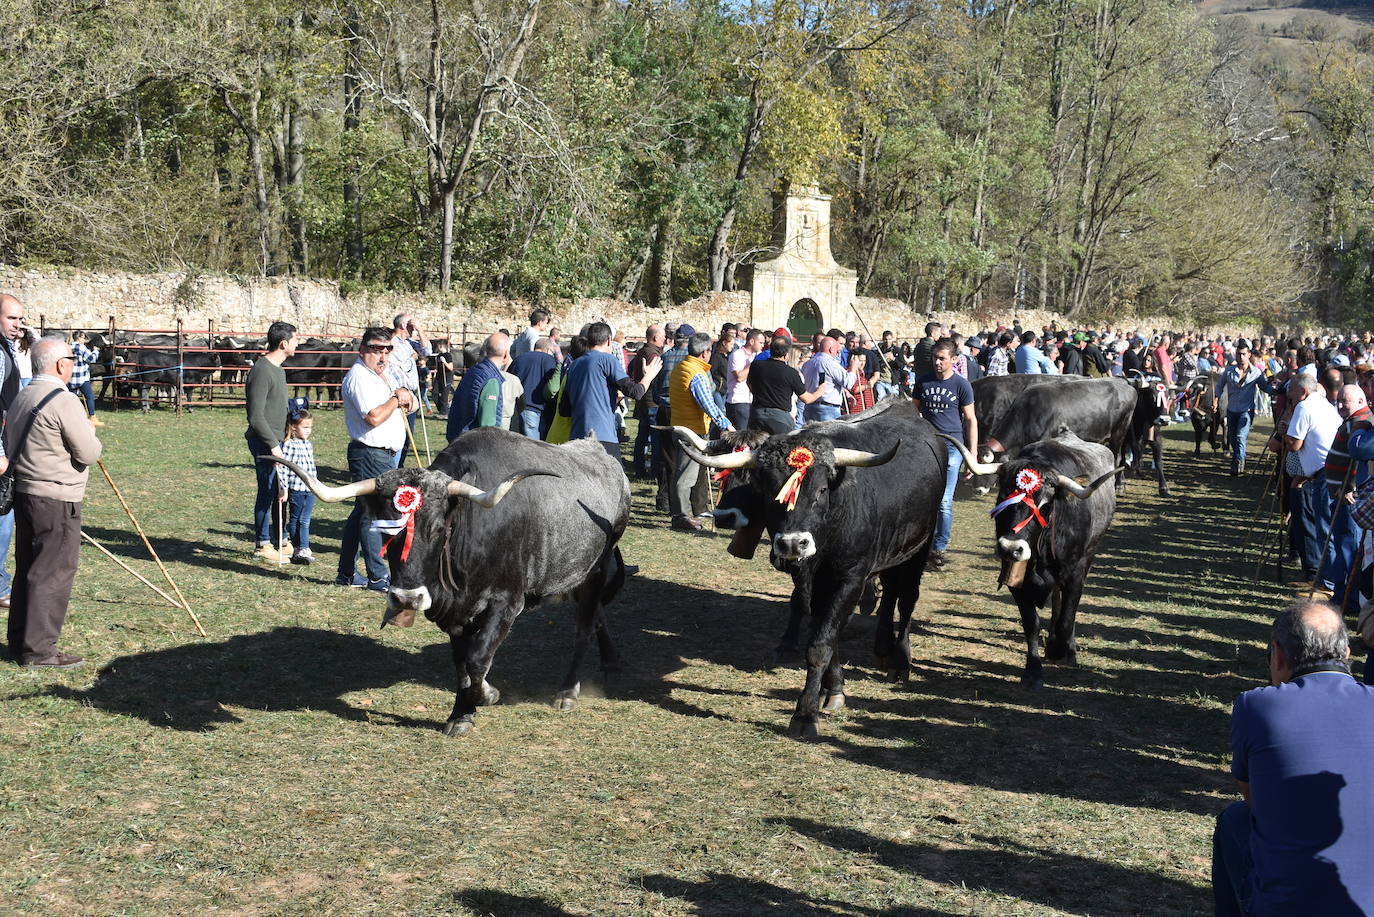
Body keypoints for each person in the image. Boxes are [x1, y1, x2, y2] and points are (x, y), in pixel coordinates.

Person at [1212, 599, 1374, 917]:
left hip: (1290, 906)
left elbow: (1256, 803)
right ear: (1347, 654)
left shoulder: (1256, 707)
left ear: (1278, 654)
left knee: (1235, 820)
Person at [5, 336, 102, 668]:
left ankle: (20, 641)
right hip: (56, 497)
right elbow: (89, 452)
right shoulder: (64, 400)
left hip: (26, 493)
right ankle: (41, 651)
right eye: (72, 360)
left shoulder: (23, 395)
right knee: (53, 572)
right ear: (62, 365)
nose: (74, 365)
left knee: (28, 569)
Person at [336, 328, 413, 592]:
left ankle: (346, 573)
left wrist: (403, 395)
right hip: (370, 453)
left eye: (387, 350)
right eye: (376, 349)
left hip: (384, 454)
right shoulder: (359, 377)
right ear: (362, 350)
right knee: (374, 514)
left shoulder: (381, 374)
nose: (382, 355)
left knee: (362, 513)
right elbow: (374, 417)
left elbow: (408, 402)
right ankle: (378, 577)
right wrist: (395, 398)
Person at [912, 339, 976, 572]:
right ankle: (921, 544)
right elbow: (913, 410)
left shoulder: (961, 385)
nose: (938, 362)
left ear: (954, 359)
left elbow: (970, 419)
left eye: (942, 358)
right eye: (935, 358)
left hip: (952, 446)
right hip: (927, 444)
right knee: (923, 498)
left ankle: (939, 548)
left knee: (944, 500)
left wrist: (972, 453)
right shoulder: (923, 381)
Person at [243, 321, 298, 561]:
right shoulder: (262, 370)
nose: (298, 344)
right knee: (267, 491)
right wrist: (273, 446)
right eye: (296, 340)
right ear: (284, 343)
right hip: (265, 443)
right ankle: (262, 544)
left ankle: (281, 539)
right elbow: (256, 416)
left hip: (278, 441)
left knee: (280, 492)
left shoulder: (279, 370)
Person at [668, 331, 734, 531]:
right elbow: (708, 404)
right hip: (692, 430)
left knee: (685, 473)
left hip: (680, 424)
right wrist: (726, 424)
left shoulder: (682, 367)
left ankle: (689, 512)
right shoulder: (695, 373)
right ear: (705, 352)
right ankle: (681, 516)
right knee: (685, 475)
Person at [566, 321, 660, 459]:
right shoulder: (608, 360)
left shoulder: (574, 365)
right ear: (609, 340)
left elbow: (564, 408)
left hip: (576, 438)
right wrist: (648, 376)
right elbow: (635, 392)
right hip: (602, 437)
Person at [1285, 374, 1341, 592]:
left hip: (1322, 473)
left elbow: (1294, 445)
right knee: (1324, 528)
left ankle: (1325, 582)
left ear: (1303, 392)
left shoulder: (1304, 407)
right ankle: (1324, 578)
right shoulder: (1324, 404)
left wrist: (1285, 431)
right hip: (1329, 469)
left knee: (1321, 528)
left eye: (1292, 390)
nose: (1289, 394)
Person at [1321, 384, 1372, 611]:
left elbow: (1359, 462)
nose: (1340, 405)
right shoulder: (1352, 420)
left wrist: (1349, 488)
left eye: (1346, 401)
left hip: (1350, 498)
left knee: (1349, 547)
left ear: (1361, 401)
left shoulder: (1361, 422)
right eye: (1339, 400)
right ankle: (1341, 593)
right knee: (1343, 543)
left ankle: (1349, 598)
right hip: (1340, 495)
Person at [0, 296, 27, 609]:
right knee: (3, 515)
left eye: (19, 319)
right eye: (11, 318)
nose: (17, 325)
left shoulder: (8, 348)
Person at [1215, 341, 1275, 476]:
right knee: (1232, 437)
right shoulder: (1229, 371)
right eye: (1238, 354)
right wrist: (1216, 399)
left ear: (1248, 355)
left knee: (1240, 437)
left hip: (1246, 411)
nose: (1240, 357)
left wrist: (1278, 390)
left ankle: (1237, 464)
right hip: (1231, 410)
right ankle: (1237, 458)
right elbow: (1219, 385)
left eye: (1243, 354)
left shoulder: (1256, 373)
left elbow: (1265, 387)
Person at [747, 335, 829, 434]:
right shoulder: (791, 373)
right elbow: (806, 399)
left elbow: (749, 384)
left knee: (754, 448)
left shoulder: (756, 365)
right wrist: (820, 391)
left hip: (757, 415)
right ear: (786, 355)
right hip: (779, 419)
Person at [447, 332, 512, 438]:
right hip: (475, 445)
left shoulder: (474, 371)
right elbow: (487, 426)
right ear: (506, 354)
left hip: (460, 438)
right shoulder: (491, 380)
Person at [277, 405, 317, 565]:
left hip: (310, 489)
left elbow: (311, 467)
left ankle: (303, 547)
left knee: (305, 519)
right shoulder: (288, 445)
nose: (308, 430)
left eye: (310, 427)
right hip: (297, 489)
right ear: (293, 428)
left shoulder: (308, 444)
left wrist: (316, 483)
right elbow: (283, 470)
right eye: (305, 427)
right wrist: (283, 489)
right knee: (297, 519)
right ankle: (299, 548)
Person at [387, 314, 429, 466]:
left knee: (407, 434)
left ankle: (399, 466)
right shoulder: (391, 341)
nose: (414, 324)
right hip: (398, 393)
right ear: (403, 325)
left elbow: (427, 351)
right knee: (397, 433)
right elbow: (392, 364)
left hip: (411, 394)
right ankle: (392, 466)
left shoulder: (410, 342)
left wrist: (419, 328)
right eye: (411, 322)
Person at [629, 325, 665, 477]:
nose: (664, 339)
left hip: (643, 400)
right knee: (656, 439)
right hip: (652, 402)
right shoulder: (652, 355)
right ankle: (655, 471)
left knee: (642, 437)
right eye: (662, 336)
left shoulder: (642, 351)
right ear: (655, 337)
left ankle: (639, 468)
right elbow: (655, 377)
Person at [508, 337, 558, 439]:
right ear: (548, 350)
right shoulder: (550, 360)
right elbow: (553, 386)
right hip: (535, 410)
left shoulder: (519, 358)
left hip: (515, 410)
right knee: (534, 449)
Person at [800, 336, 855, 423]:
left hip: (810, 407)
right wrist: (853, 368)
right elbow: (849, 383)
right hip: (827, 409)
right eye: (836, 349)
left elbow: (822, 380)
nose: (837, 352)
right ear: (831, 349)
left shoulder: (808, 363)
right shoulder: (830, 363)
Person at [724, 329, 764, 430]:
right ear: (751, 341)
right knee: (740, 436)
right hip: (738, 401)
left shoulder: (754, 356)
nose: (762, 346)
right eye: (760, 343)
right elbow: (739, 377)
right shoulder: (737, 355)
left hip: (751, 401)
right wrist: (753, 363)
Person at [68, 331, 104, 427]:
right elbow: (91, 359)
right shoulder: (81, 347)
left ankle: (70, 418)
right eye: (83, 338)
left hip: (70, 377)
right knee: (89, 396)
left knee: (71, 398)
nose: (84, 340)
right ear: (79, 338)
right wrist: (96, 351)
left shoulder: (68, 346)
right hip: (81, 377)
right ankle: (92, 417)